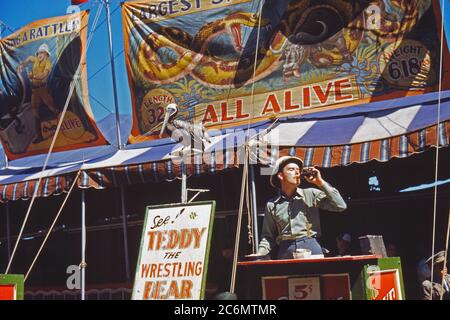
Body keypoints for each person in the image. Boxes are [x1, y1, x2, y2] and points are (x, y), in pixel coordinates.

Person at [248, 156, 347, 260]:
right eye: (291, 169)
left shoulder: (310, 194)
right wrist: (259, 254)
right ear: (280, 175)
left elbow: (340, 205)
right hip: (285, 250)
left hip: (311, 246)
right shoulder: (272, 204)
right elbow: (268, 237)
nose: (297, 173)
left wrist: (320, 182)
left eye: (298, 170)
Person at [17, 43, 59, 143]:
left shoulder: (48, 63)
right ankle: (39, 136)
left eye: (42, 53)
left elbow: (44, 75)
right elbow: (29, 59)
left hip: (43, 89)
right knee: (34, 110)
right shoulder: (36, 59)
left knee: (51, 107)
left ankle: (62, 128)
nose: (39, 55)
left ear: (46, 54)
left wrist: (33, 77)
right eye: (39, 53)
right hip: (35, 91)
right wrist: (22, 65)